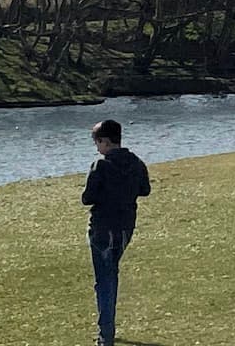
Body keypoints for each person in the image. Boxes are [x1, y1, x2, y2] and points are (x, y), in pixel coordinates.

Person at [82, 119, 151, 346]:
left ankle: (106, 333)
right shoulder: (137, 163)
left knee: (104, 279)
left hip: (102, 228)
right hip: (125, 227)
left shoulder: (101, 166)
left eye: (97, 143)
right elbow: (145, 190)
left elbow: (87, 198)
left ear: (105, 141)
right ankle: (108, 328)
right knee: (111, 273)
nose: (96, 148)